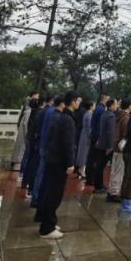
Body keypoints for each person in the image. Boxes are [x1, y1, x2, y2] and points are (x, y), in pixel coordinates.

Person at [37, 92, 78, 239]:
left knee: (51, 192)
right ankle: (47, 228)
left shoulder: (61, 116)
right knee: (54, 194)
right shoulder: (68, 119)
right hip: (58, 162)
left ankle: (49, 221)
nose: (79, 103)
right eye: (78, 100)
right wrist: (70, 163)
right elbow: (68, 144)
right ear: (72, 102)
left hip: (53, 159)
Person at [31, 95, 59, 206]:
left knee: (40, 172)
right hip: (47, 146)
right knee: (43, 173)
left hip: (42, 144)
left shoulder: (46, 110)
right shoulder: (52, 112)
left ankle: (36, 196)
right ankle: (37, 198)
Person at [107, 99, 131, 202]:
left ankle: (111, 190)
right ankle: (114, 193)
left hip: (116, 146)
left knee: (114, 170)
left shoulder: (117, 115)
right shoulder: (126, 118)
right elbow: (126, 134)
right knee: (119, 171)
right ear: (129, 106)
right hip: (122, 148)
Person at [22, 95, 48, 194]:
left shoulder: (35, 111)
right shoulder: (40, 113)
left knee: (30, 162)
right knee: (34, 164)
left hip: (31, 140)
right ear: (44, 102)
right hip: (35, 142)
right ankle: (31, 186)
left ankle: (25, 182)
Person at [94, 98, 117, 194]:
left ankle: (99, 184)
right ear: (111, 105)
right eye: (115, 104)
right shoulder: (111, 115)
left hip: (101, 143)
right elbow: (110, 132)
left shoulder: (105, 113)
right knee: (100, 166)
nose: (116, 106)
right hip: (105, 145)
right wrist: (110, 146)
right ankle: (98, 186)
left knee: (100, 165)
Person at [85, 94, 107, 186]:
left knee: (91, 158)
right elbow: (100, 126)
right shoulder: (101, 110)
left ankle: (89, 178)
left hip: (93, 135)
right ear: (104, 99)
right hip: (97, 137)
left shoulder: (97, 109)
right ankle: (91, 179)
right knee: (95, 159)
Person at [11, 92, 36, 171]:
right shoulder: (29, 112)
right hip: (24, 136)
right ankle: (16, 167)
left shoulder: (27, 111)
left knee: (19, 150)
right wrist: (28, 136)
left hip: (22, 135)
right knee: (20, 151)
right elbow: (26, 125)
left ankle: (16, 165)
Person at [75, 100, 93, 179]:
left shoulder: (87, 114)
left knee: (83, 153)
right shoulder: (89, 114)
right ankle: (82, 170)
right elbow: (89, 127)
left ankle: (81, 169)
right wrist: (91, 136)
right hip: (86, 136)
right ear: (91, 106)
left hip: (84, 135)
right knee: (84, 153)